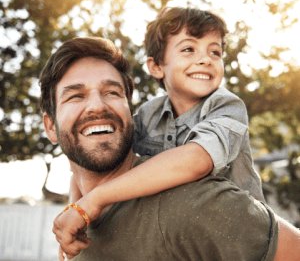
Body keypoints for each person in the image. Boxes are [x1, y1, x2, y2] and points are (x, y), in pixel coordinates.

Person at [40, 36, 300, 260]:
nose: (98, 106)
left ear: (129, 114)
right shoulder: (75, 225)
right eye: (76, 96)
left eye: (112, 92)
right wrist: (78, 206)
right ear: (50, 126)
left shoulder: (192, 203)